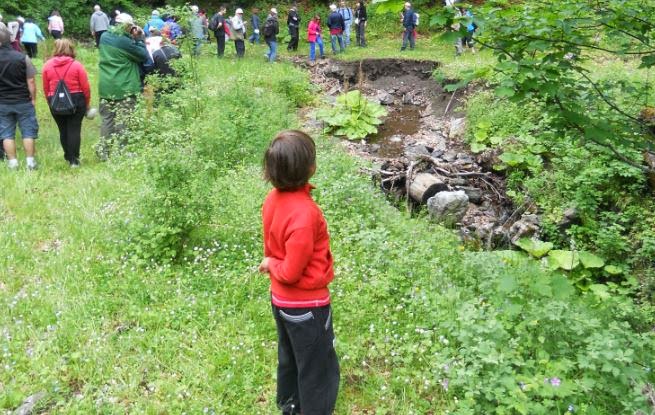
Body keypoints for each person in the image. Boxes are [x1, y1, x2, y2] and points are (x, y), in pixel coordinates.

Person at [259, 130, 339, 415]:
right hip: (307, 306)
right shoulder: (305, 214)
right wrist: (272, 265)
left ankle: (290, 405)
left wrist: (272, 263)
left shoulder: (272, 199)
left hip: (281, 302)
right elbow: (292, 271)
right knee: (317, 367)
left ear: (270, 171)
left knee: (291, 356)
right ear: (311, 168)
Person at [97, 13, 148, 160]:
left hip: (106, 85)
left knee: (107, 119)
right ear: (127, 26)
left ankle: (103, 153)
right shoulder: (125, 42)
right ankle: (122, 152)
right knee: (123, 120)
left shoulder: (104, 36)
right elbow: (143, 55)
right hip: (124, 86)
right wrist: (138, 39)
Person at [42, 39, 90, 167]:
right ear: (71, 48)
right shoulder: (77, 65)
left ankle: (68, 156)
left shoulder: (47, 65)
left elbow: (46, 88)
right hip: (76, 99)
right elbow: (85, 87)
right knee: (74, 129)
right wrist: (87, 103)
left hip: (55, 100)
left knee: (63, 130)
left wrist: (50, 102)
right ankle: (75, 160)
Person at [0, 27, 39, 170]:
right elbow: (31, 82)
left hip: (2, 103)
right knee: (28, 132)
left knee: (6, 134)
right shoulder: (23, 57)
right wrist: (33, 99)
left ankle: (13, 163)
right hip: (23, 101)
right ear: (9, 40)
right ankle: (30, 162)